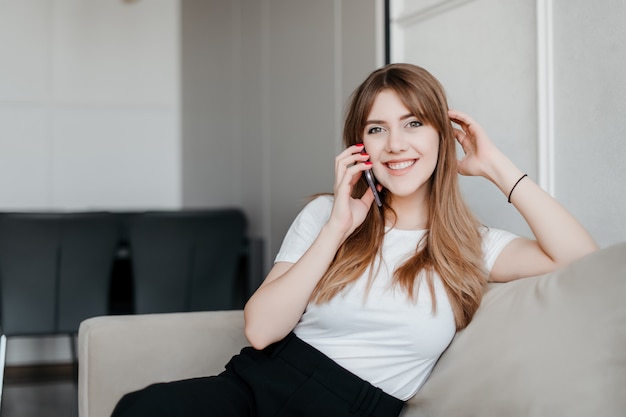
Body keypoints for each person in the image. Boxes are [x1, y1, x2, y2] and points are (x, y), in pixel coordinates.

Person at [111, 63, 598, 417]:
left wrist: (494, 165)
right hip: (256, 386)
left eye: (413, 124)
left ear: (441, 136)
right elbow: (260, 331)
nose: (396, 144)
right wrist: (338, 228)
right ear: (361, 146)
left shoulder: (472, 245)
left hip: (355, 407)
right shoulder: (327, 214)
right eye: (377, 129)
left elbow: (582, 259)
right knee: (142, 409)